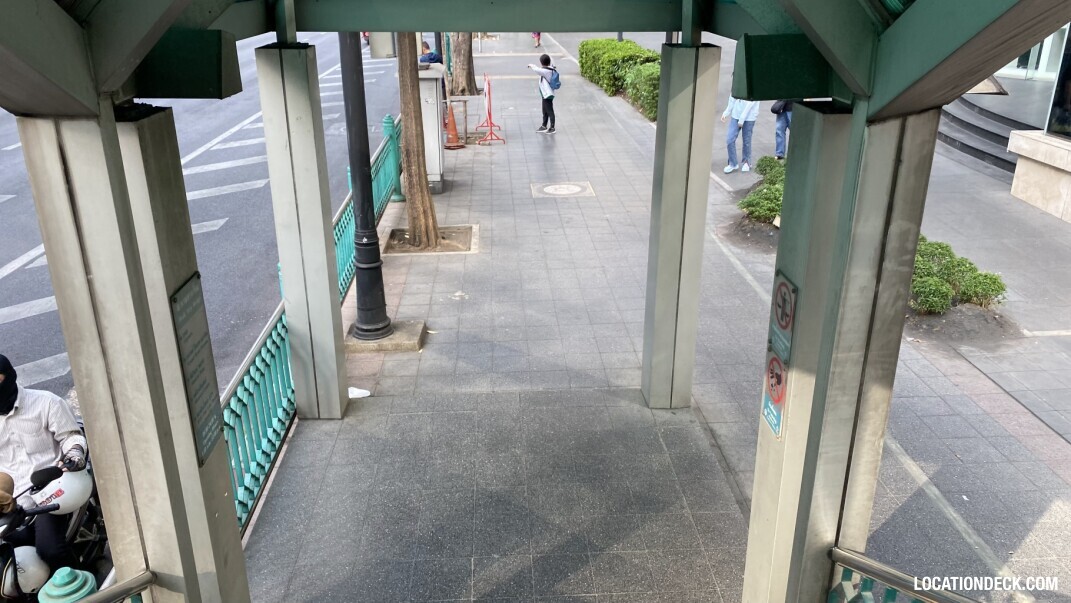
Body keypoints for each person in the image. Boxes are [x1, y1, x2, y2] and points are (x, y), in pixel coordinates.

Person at [0, 354, 86, 572]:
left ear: (9, 377)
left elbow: (71, 437)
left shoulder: (46, 402)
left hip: (51, 488)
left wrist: (74, 455)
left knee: (50, 550)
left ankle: (82, 589)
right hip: (13, 498)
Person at [721, 95, 760, 173]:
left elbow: (751, 103)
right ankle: (733, 164)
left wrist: (742, 119)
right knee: (730, 140)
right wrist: (726, 112)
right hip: (736, 115)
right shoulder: (738, 84)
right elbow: (732, 97)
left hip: (749, 117)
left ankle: (747, 162)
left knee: (746, 141)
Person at [527, 54, 559, 134]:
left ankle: (552, 128)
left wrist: (531, 65)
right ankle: (544, 126)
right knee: (545, 110)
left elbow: (537, 69)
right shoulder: (551, 68)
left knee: (549, 110)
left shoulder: (545, 71)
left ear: (541, 62)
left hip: (547, 94)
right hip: (545, 94)